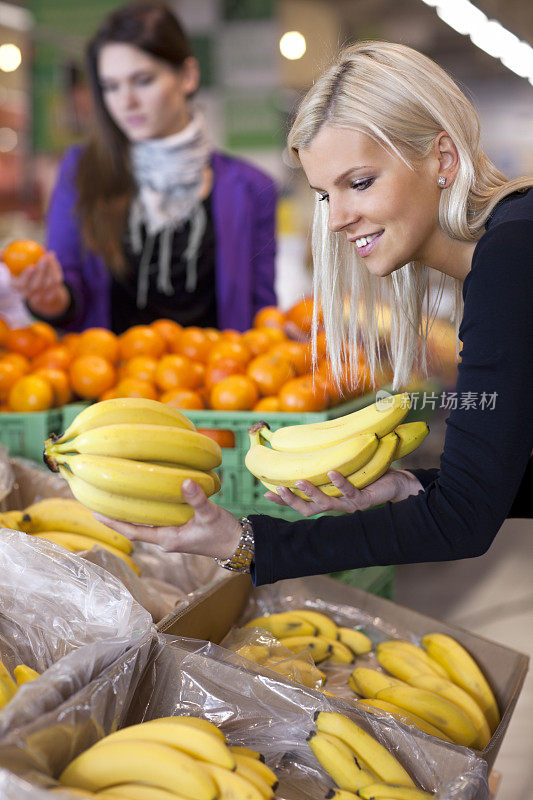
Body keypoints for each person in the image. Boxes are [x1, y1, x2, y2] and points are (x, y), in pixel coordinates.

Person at [96, 41, 533, 584]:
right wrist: (417, 484)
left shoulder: (511, 260)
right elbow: (478, 492)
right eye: (326, 195)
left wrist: (249, 543)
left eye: (360, 182)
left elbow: (462, 524)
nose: (337, 219)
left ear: (442, 159)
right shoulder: (512, 242)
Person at [12, 1, 277, 333]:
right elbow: (70, 286)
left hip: (219, 379)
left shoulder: (254, 188)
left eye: (142, 80)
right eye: (111, 86)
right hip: (108, 378)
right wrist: (51, 300)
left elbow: (262, 311)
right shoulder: (81, 170)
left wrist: (289, 331)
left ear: (188, 76)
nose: (126, 102)